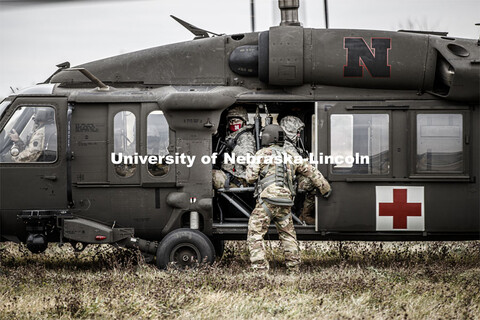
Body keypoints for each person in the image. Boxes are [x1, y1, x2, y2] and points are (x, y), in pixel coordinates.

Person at [245, 124, 331, 271]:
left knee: (255, 233)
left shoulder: (261, 154)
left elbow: (250, 178)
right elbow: (312, 172)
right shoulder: (291, 156)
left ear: (266, 138)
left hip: (267, 201)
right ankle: (294, 268)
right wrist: (325, 189)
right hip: (285, 202)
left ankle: (259, 270)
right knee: (288, 235)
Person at [280, 115, 328, 225]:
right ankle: (304, 216)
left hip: (290, 179)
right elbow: (302, 166)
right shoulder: (287, 147)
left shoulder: (292, 146)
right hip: (286, 182)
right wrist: (323, 185)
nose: (298, 135)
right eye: (296, 132)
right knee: (313, 183)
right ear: (289, 131)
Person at [212, 106, 256, 189]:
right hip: (228, 175)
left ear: (244, 121)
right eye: (230, 121)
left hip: (239, 179)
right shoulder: (231, 136)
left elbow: (250, 160)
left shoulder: (245, 136)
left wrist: (234, 147)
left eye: (236, 120)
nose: (233, 123)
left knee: (206, 177)